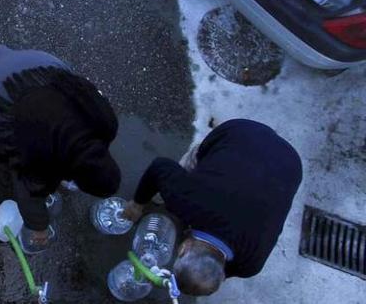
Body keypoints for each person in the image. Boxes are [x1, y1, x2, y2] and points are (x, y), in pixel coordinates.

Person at [123, 119, 303, 296]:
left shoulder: (252, 264)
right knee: (194, 161)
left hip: (289, 163)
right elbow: (159, 167)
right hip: (241, 133)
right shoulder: (184, 201)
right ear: (183, 248)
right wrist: (137, 204)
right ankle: (201, 150)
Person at [0, 44, 122, 253]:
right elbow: (28, 192)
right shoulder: (44, 160)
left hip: (38, 63)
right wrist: (39, 227)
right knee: (10, 163)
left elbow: (85, 90)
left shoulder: (107, 124)